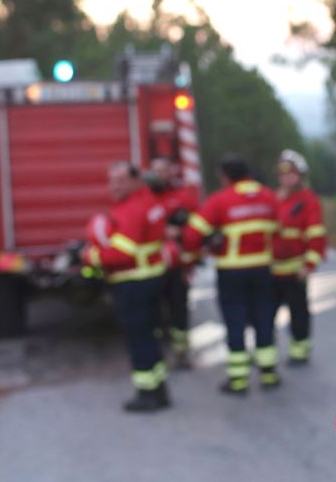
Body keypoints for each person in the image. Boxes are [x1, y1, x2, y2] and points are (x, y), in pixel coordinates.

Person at [184, 157, 280, 394]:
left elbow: (192, 234)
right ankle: (268, 373)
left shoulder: (220, 200)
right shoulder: (269, 197)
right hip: (263, 270)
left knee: (235, 322)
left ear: (225, 177)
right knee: (263, 318)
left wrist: (204, 247)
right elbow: (279, 229)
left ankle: (238, 380)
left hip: (232, 272)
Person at [81, 161, 170, 413]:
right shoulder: (149, 201)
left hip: (133, 284)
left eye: (120, 180)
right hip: (150, 279)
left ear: (136, 181)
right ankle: (159, 389)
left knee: (139, 340)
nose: (114, 186)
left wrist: (89, 257)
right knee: (149, 338)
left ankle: (147, 394)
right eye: (111, 180)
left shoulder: (132, 209)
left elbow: (121, 255)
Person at [272, 149, 327, 365]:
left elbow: (316, 235)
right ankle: (266, 350)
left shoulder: (308, 200)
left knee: (299, 313)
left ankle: (300, 351)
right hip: (272, 270)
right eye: (283, 174)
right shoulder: (274, 198)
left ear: (300, 175)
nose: (287, 178)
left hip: (296, 271)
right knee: (265, 314)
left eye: (291, 173)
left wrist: (309, 265)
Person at [146, 157, 200, 370]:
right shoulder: (144, 198)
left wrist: (181, 233)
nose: (159, 175)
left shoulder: (182, 198)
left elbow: (199, 228)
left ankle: (181, 353)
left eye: (163, 170)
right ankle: (157, 354)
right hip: (150, 269)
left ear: (171, 173)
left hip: (177, 267)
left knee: (179, 311)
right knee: (153, 313)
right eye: (155, 170)